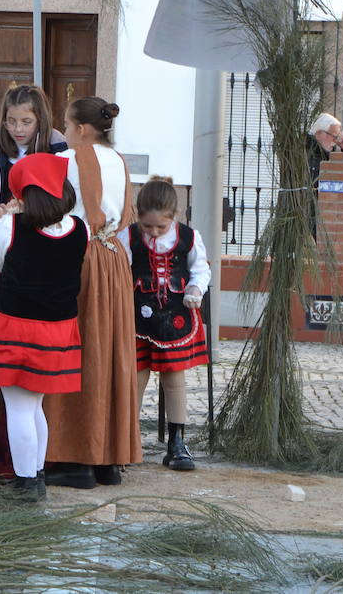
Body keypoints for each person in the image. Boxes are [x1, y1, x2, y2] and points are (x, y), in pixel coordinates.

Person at [0, 153, 87, 503]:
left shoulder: (12, 226)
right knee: (35, 407)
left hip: (15, 327)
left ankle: (25, 485)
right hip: (58, 329)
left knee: (19, 408)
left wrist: (7, 221)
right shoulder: (80, 228)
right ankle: (35, 477)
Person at [43, 96, 140, 489]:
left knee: (77, 350)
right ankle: (108, 460)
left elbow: (53, 210)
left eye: (66, 126)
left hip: (79, 256)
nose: (64, 134)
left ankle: (74, 458)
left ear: (82, 129)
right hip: (114, 258)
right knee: (110, 350)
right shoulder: (119, 161)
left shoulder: (68, 159)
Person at [117, 176, 211, 472]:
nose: (154, 232)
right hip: (138, 317)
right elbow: (119, 270)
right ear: (137, 216)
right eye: (147, 227)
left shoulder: (189, 237)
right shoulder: (129, 237)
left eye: (161, 226)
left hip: (176, 316)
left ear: (175, 216)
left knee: (174, 378)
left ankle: (177, 442)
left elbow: (201, 270)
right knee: (135, 376)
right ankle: (127, 443)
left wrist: (196, 290)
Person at [0, 85, 67, 217]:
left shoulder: (56, 151)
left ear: (40, 121)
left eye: (26, 122)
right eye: (11, 122)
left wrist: (24, 209)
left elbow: (62, 200)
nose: (18, 129)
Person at [307, 113, 343, 185]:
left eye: (338, 136)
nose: (336, 141)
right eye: (334, 136)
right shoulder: (304, 154)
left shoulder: (329, 155)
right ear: (319, 134)